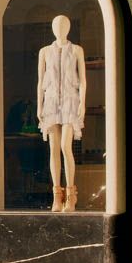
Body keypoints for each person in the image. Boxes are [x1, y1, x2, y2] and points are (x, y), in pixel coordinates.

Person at [36, 14, 87, 212]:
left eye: (64, 25)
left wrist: (83, 103)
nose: (60, 29)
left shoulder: (76, 50)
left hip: (69, 101)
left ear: (69, 28)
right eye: (57, 26)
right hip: (51, 103)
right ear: (52, 29)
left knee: (66, 147)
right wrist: (39, 105)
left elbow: (82, 80)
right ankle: (57, 196)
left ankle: (71, 195)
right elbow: (40, 81)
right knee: (53, 148)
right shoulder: (45, 52)